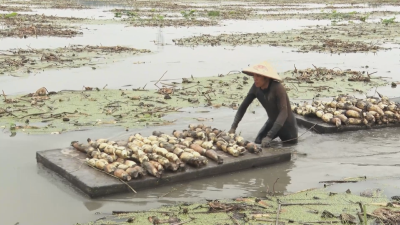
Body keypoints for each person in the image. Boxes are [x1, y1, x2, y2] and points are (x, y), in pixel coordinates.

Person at [228, 61, 298, 147]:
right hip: (272, 121)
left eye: (258, 76)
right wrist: (233, 127)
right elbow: (243, 106)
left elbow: (284, 113)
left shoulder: (277, 88)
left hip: (287, 125)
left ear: (266, 78)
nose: (255, 78)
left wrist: (269, 136)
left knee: (290, 146)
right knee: (258, 142)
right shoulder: (255, 87)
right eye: (254, 75)